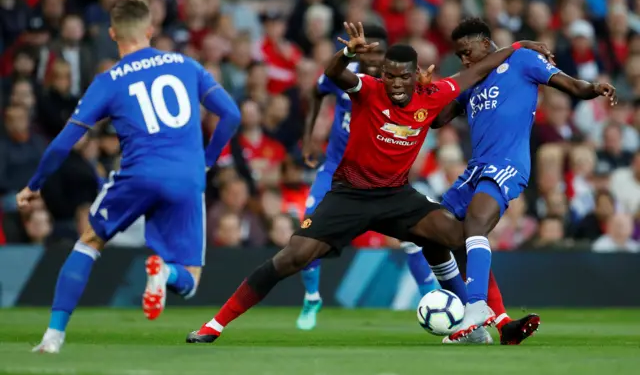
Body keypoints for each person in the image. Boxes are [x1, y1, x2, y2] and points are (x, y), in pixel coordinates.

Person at [185, 21, 552, 344]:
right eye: (389, 75)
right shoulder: (368, 89)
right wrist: (346, 53)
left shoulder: (434, 94)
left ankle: (489, 320)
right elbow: (332, 74)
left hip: (395, 196)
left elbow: (480, 69)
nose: (394, 83)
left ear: (415, 76)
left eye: (401, 76)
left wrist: (518, 47)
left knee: (459, 236)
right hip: (349, 196)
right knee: (292, 257)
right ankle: (215, 324)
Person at [18, 0, 241, 353]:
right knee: (190, 279)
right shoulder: (186, 65)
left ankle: (53, 337)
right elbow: (231, 115)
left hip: (138, 175)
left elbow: (63, 143)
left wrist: (34, 185)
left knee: (89, 242)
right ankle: (165, 274)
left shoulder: (108, 81)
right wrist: (207, 160)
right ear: (151, 29)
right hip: (186, 177)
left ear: (112, 33)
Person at [431, 18, 617, 342]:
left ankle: (475, 306)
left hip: (507, 163)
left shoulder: (523, 60)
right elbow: (437, 119)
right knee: (441, 231)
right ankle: (498, 322)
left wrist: (593, 88)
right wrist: (432, 90)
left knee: (474, 223)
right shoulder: (472, 81)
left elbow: (571, 85)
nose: (463, 60)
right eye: (459, 55)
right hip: (476, 168)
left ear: (485, 45)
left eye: (466, 52)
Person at [296, 23, 436, 331]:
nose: (371, 58)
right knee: (307, 228)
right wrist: (309, 138)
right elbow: (317, 90)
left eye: (378, 52)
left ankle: (433, 298)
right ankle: (312, 297)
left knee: (415, 237)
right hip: (336, 169)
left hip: (382, 175)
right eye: (366, 50)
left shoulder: (398, 86)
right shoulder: (348, 75)